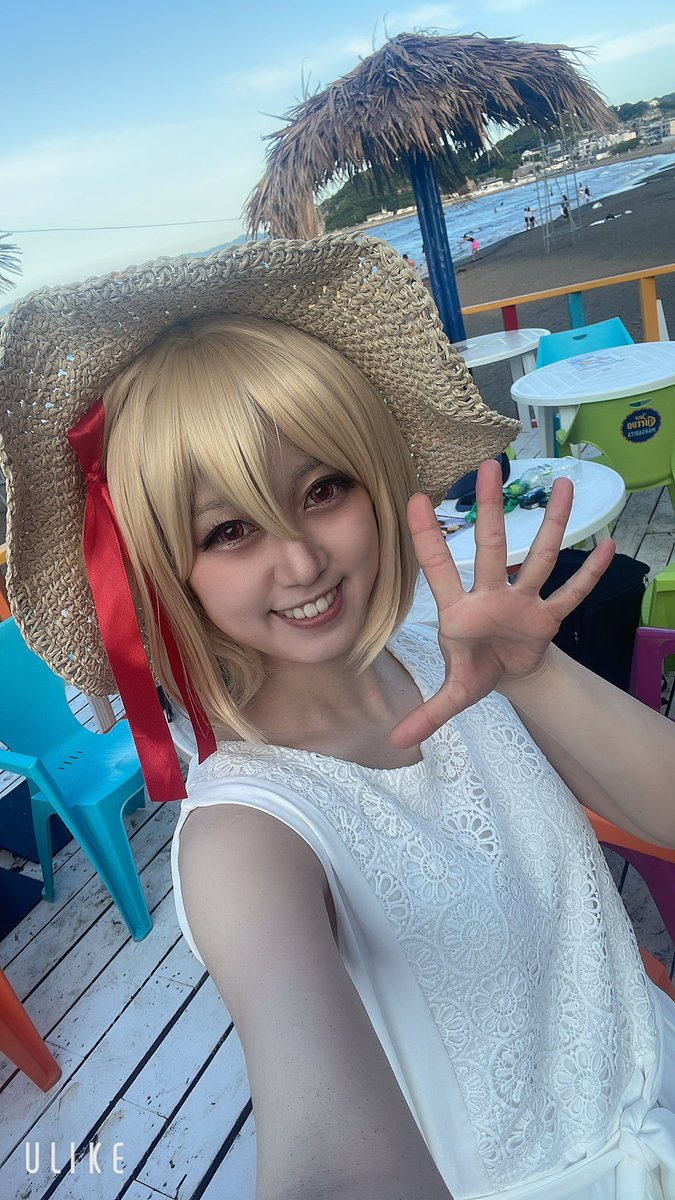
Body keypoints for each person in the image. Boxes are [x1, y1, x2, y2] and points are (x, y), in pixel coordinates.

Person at [0, 235, 673, 1200]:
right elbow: (326, 1152)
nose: (302, 561)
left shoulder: (444, 651)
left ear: (376, 479)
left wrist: (533, 676)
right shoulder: (244, 836)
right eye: (228, 531)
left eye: (323, 490)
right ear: (164, 571)